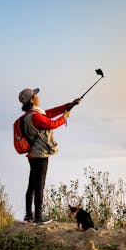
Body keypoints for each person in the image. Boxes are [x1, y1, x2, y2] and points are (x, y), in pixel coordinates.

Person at [18, 87, 80, 224]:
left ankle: (29, 215)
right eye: (36, 95)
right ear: (32, 100)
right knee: (39, 185)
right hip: (40, 155)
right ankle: (38, 217)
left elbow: (50, 112)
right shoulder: (35, 116)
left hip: (33, 155)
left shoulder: (29, 116)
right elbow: (51, 123)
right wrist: (64, 117)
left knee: (32, 185)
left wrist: (70, 105)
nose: (38, 97)